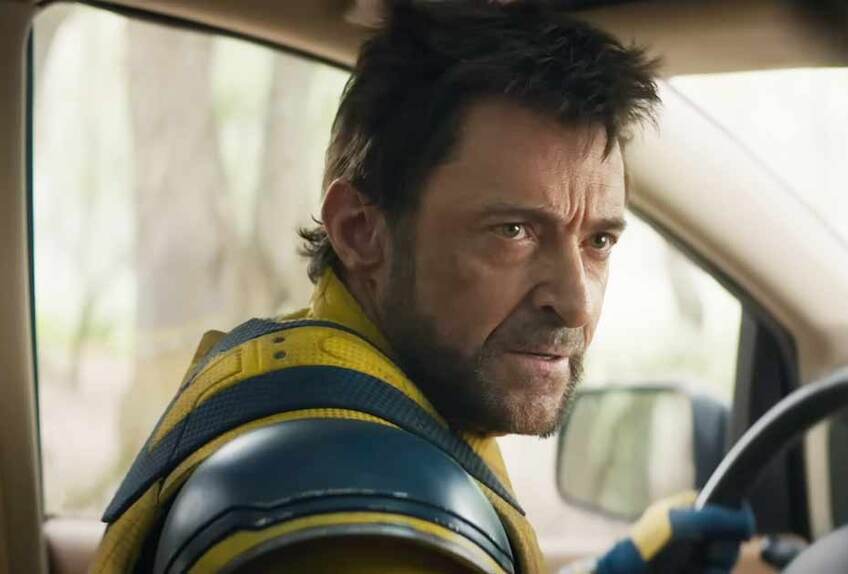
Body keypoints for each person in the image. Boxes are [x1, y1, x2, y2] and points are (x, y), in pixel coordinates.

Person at [92, 3, 753, 573]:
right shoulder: (356, 509)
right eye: (514, 231)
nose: (576, 301)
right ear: (361, 232)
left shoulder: (305, 383)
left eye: (598, 241)